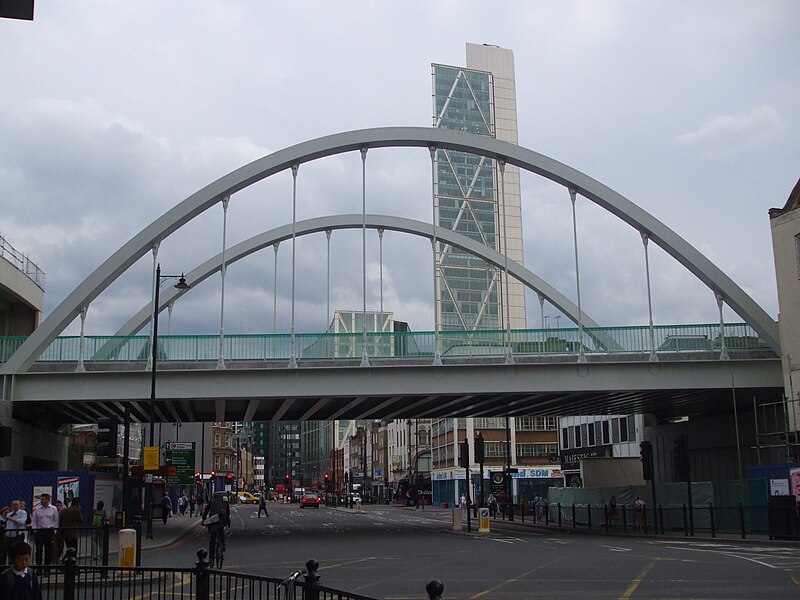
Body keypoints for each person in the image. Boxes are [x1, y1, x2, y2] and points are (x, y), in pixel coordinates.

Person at [29, 494, 58, 569]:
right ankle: (38, 568)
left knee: (48, 551)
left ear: (48, 500)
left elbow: (55, 520)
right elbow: (34, 521)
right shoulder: (37, 509)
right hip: (40, 531)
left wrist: (54, 531)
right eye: (41, 499)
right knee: (38, 550)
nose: (41, 501)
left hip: (49, 530)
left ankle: (46, 568)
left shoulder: (53, 509)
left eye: (43, 499)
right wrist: (35, 530)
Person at [201, 495, 230, 560]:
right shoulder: (225, 503)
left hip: (213, 521)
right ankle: (223, 545)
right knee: (221, 530)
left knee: (212, 540)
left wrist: (203, 519)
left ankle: (211, 558)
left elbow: (206, 510)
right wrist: (227, 522)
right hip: (221, 521)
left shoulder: (211, 502)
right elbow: (228, 513)